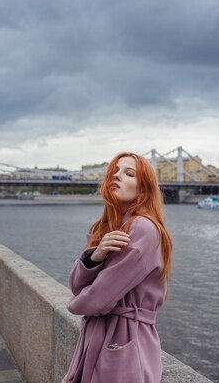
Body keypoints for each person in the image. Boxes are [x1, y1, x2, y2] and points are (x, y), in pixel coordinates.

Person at [62, 152, 173, 383]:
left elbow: (98, 299)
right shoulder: (103, 227)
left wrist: (74, 305)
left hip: (125, 336)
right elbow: (75, 285)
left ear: (143, 190)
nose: (117, 175)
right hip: (98, 333)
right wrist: (96, 255)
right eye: (115, 171)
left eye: (128, 173)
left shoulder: (143, 228)